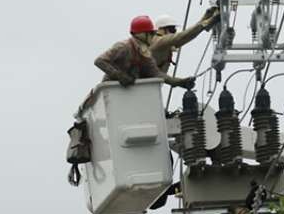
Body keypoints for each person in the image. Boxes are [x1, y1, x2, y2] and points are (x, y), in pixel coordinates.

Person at [66, 16, 196, 186]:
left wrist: (179, 82)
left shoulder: (145, 54)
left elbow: (157, 75)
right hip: (112, 98)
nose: (152, 37)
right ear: (142, 34)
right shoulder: (123, 47)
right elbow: (100, 61)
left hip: (127, 100)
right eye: (150, 33)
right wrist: (119, 76)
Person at [150, 7, 220, 74]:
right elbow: (182, 36)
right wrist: (207, 22)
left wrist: (207, 16)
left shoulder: (164, 44)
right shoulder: (158, 41)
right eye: (172, 29)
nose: (174, 32)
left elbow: (188, 36)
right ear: (162, 29)